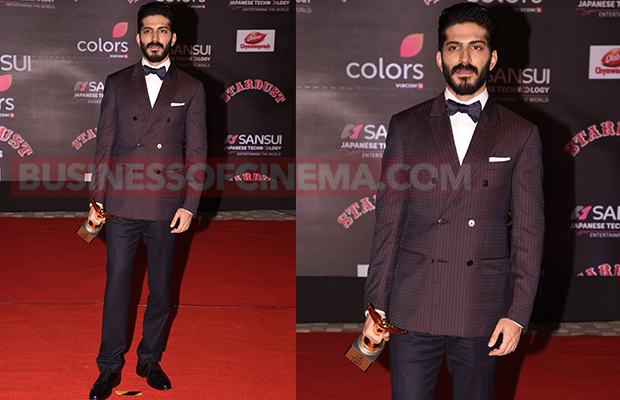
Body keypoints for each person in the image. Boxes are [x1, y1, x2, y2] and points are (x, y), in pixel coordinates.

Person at [362, 2, 544, 399]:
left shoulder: (520, 133)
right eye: (453, 47)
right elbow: (388, 222)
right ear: (439, 57)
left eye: (476, 47)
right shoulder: (406, 126)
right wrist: (375, 305)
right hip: (413, 302)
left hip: (481, 306)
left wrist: (517, 314)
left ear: (492, 58)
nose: (464, 58)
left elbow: (529, 234)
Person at [87, 2, 207, 400]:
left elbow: (197, 153)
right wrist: (96, 199)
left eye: (162, 31)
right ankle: (109, 366)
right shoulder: (117, 82)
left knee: (160, 289)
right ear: (138, 37)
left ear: (174, 38)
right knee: (117, 287)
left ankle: (149, 358)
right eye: (148, 30)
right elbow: (104, 145)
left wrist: (190, 204)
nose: (155, 38)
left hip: (165, 205)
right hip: (121, 202)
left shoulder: (191, 87)